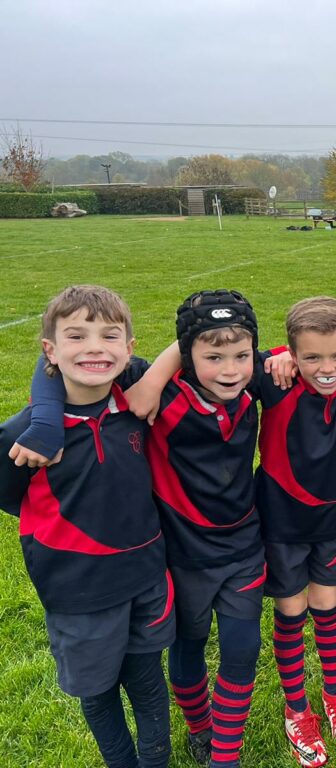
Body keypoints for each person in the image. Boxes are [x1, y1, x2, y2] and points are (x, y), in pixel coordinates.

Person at [0, 285, 175, 768]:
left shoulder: (139, 405)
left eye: (110, 336)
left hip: (146, 578)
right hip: (78, 593)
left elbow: (191, 336)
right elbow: (11, 495)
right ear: (49, 350)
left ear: (130, 348)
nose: (95, 347)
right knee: (98, 693)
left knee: (146, 682)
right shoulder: (25, 433)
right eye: (76, 335)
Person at [257, 297, 336, 767]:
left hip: (335, 517)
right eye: (311, 357)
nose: (327, 368)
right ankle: (297, 708)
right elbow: (197, 348)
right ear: (293, 356)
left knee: (326, 603)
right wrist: (277, 353)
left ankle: (335, 694)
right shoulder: (273, 378)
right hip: (282, 521)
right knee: (292, 609)